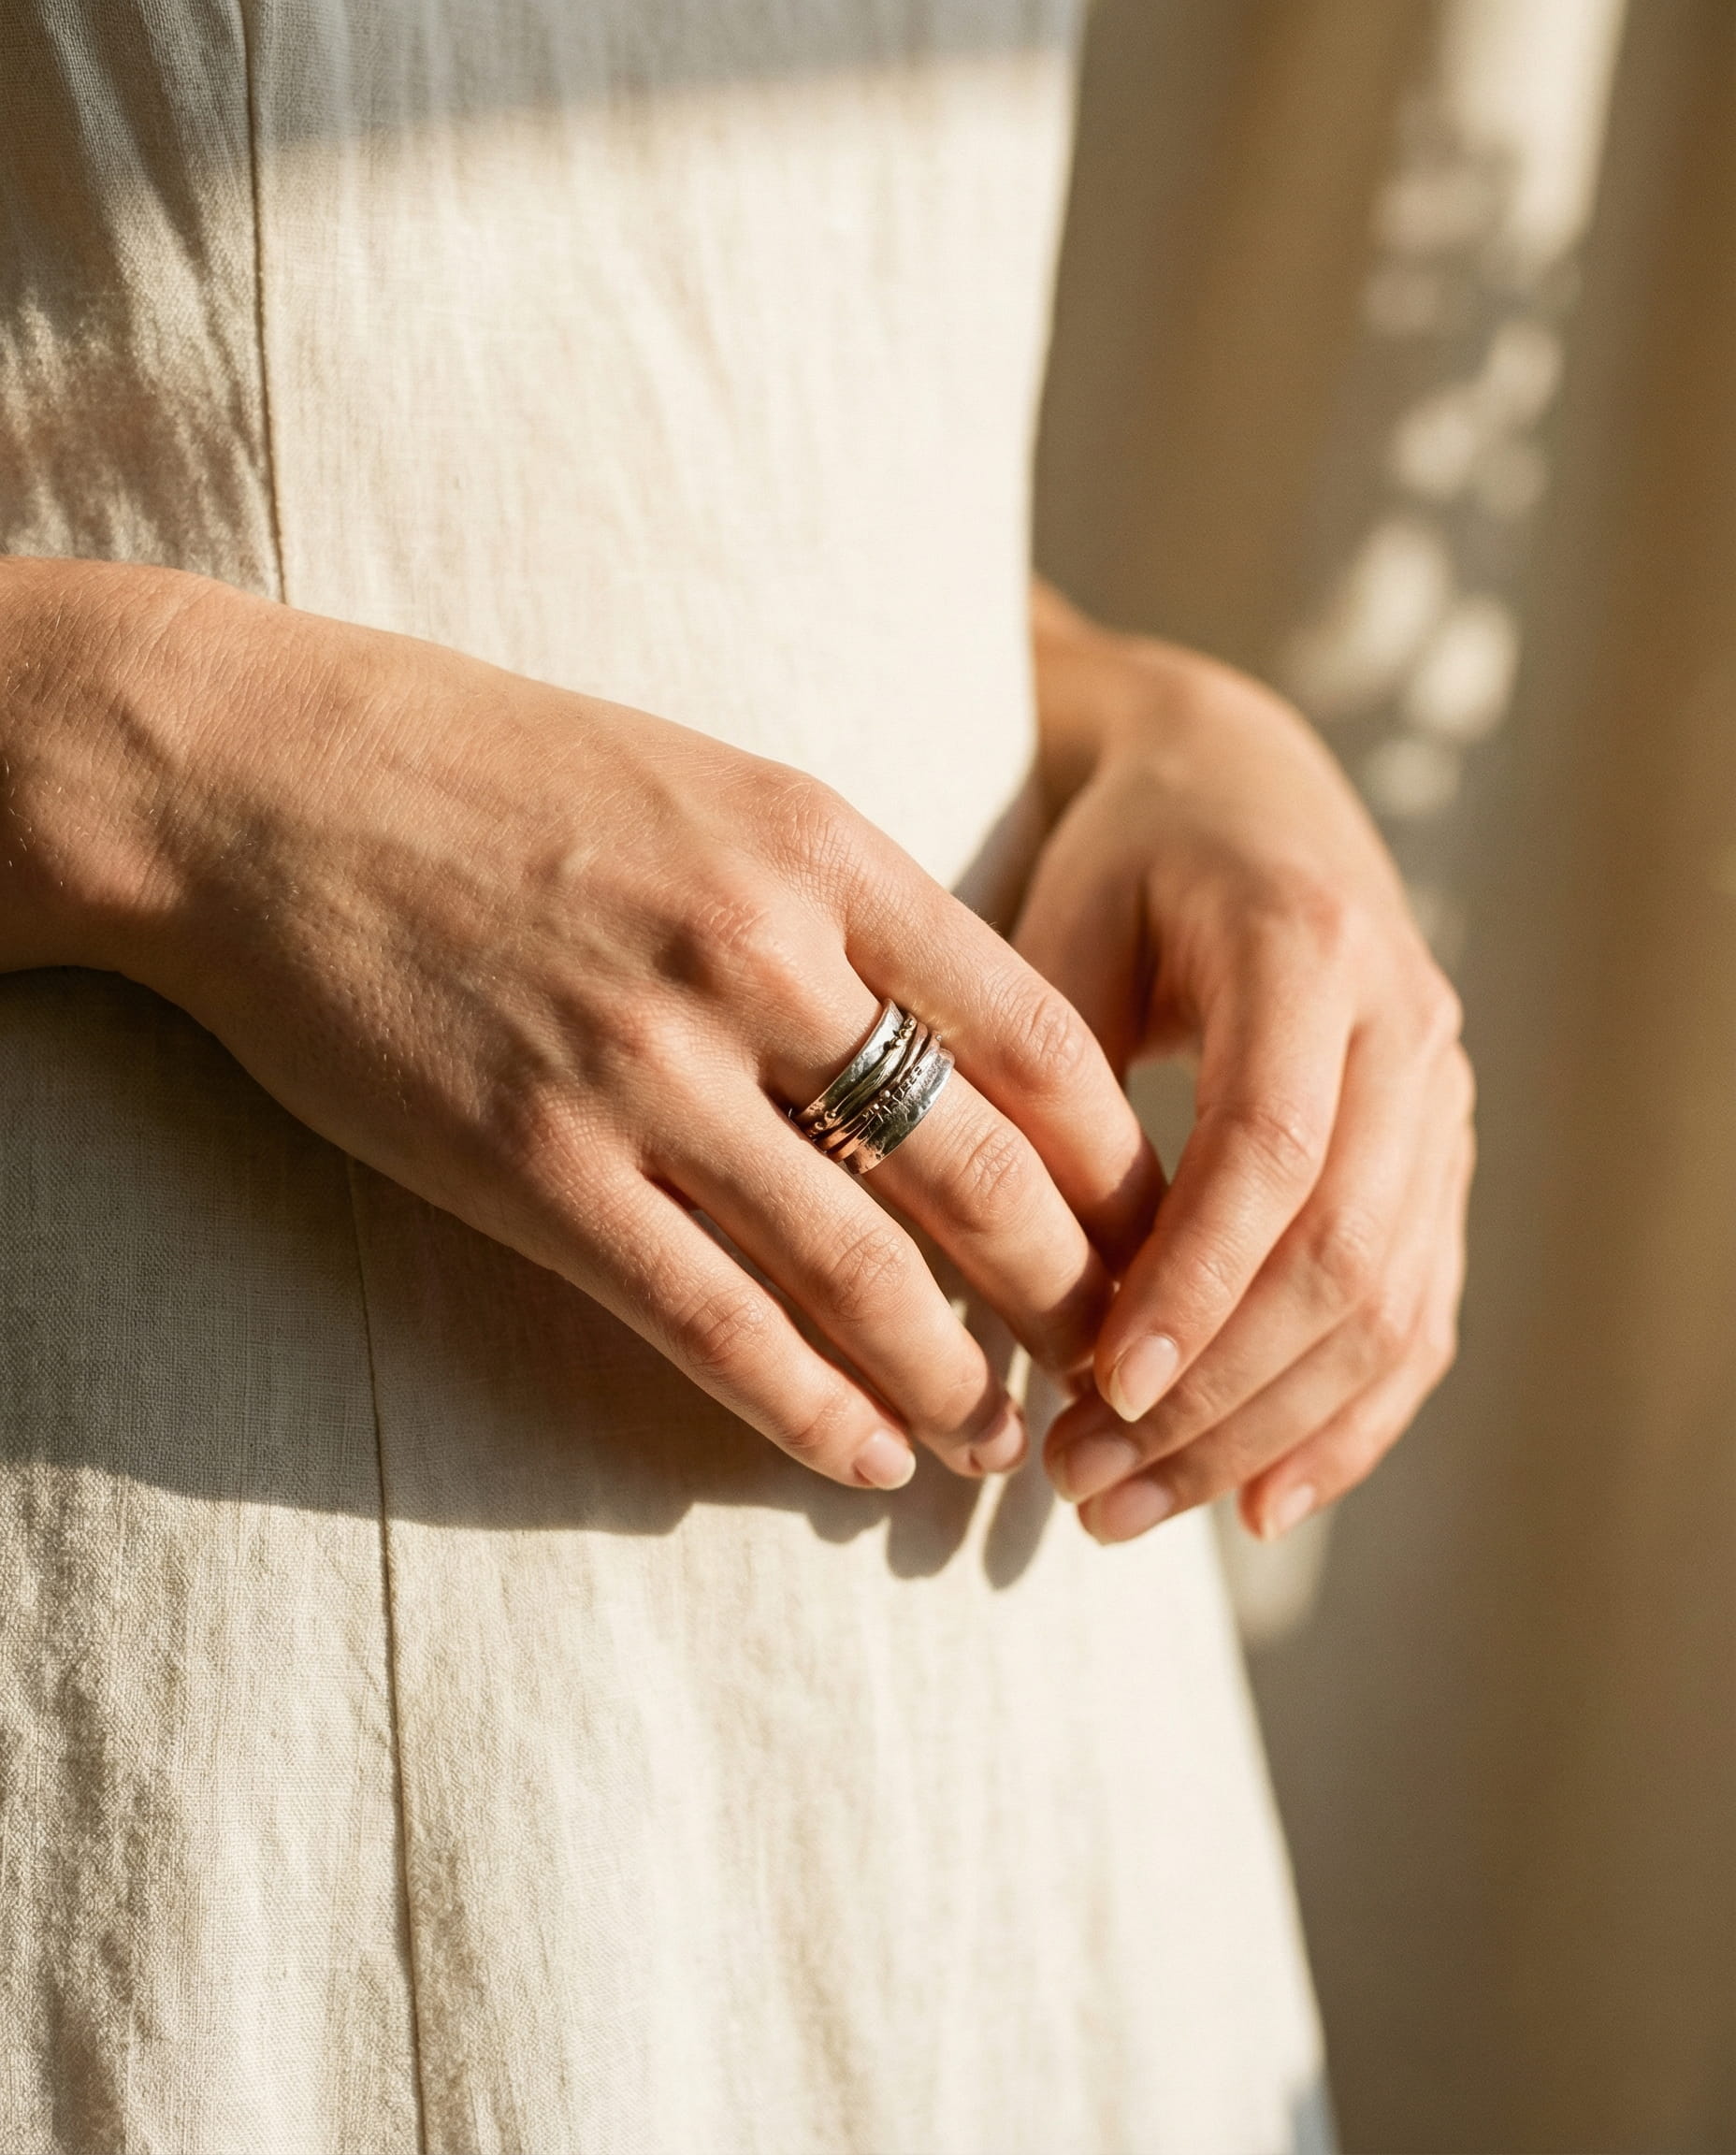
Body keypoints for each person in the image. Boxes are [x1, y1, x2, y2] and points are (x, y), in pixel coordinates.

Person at [0, 4, 1471, 2149]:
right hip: (186, 1665)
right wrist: (172, 757)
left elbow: (641, 363)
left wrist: (1141, 720)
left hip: (975, 1760)